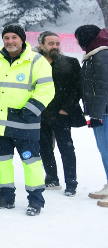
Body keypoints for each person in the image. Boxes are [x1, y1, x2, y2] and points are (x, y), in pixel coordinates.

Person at [0, 25, 54, 216]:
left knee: (31, 163)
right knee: (2, 162)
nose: (10, 41)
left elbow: (46, 89)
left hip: (25, 123)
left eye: (14, 37)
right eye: (6, 38)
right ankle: (6, 197)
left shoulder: (37, 61)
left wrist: (29, 111)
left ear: (22, 39)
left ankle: (35, 200)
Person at [36, 31, 87, 196]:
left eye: (57, 44)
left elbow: (78, 88)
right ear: (41, 45)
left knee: (66, 148)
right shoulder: (34, 62)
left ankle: (71, 183)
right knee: (44, 147)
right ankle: (51, 178)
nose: (55, 47)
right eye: (51, 44)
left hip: (61, 113)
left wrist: (66, 108)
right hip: (41, 112)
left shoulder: (70, 62)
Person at [75, 25, 108, 207]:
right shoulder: (94, 54)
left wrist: (96, 115)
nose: (78, 42)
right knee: (104, 150)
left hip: (104, 112)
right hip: (101, 111)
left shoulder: (101, 54)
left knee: (107, 150)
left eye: (79, 37)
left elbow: (104, 86)